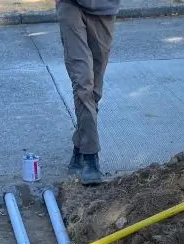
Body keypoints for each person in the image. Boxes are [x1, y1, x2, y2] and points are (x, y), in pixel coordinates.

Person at [57, 0, 118, 186]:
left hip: (105, 9)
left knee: (94, 90)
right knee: (83, 80)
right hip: (71, 6)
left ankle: (80, 145)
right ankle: (91, 156)